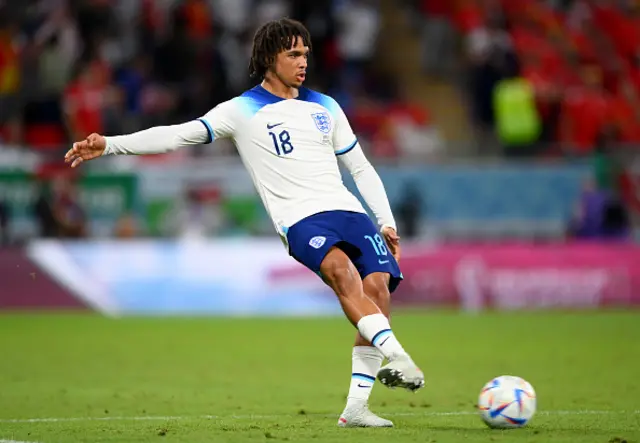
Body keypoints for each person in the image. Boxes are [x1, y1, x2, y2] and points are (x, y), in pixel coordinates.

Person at [64, 18, 424, 428]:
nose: (303, 61)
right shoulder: (240, 110)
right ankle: (398, 356)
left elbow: (360, 168)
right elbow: (178, 135)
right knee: (343, 274)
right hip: (300, 217)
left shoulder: (326, 106)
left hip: (349, 210)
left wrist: (386, 222)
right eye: (293, 54)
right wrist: (111, 144)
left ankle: (357, 408)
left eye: (305, 53)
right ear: (270, 58)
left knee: (378, 288)